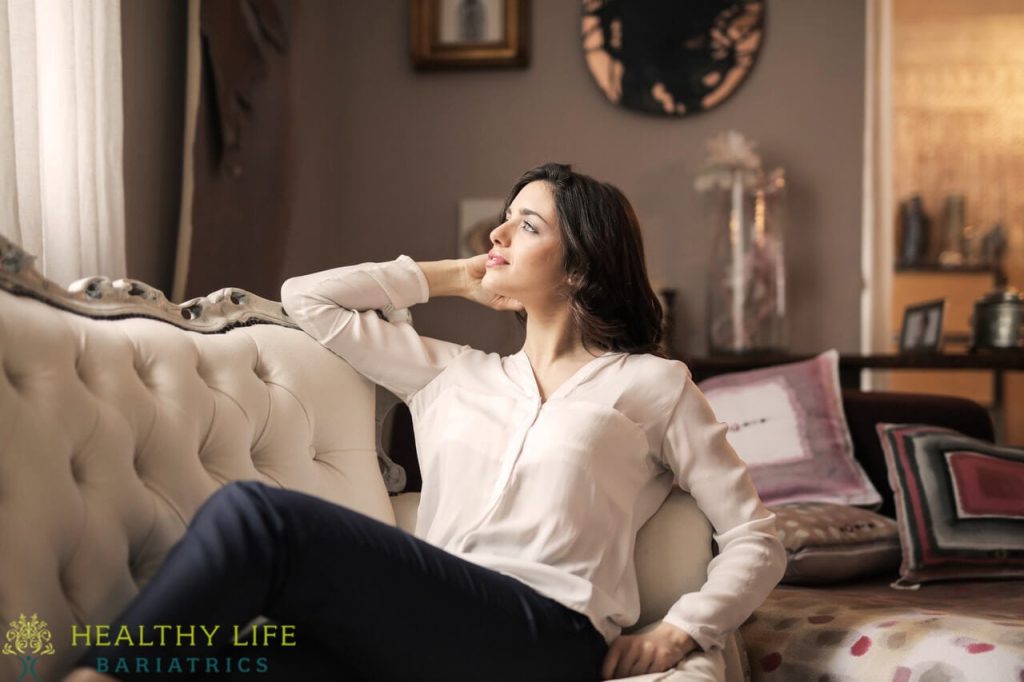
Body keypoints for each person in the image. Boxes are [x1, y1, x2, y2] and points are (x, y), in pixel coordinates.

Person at [66, 162, 786, 682]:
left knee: (263, 519)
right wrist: (447, 275)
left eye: (527, 225)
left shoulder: (653, 385)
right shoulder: (451, 371)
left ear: (580, 269)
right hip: (427, 628)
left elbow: (757, 535)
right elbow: (306, 300)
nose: (499, 232)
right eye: (505, 217)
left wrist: (683, 626)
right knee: (227, 665)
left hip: (544, 638)